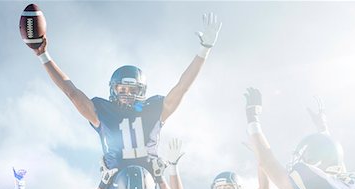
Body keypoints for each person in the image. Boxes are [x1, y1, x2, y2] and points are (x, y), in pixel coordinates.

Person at [30, 12, 222, 175]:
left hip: (151, 186)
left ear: (142, 91)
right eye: (122, 89)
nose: (127, 93)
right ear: (113, 89)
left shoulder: (153, 109)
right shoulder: (102, 111)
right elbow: (70, 91)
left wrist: (204, 50)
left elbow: (182, 87)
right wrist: (43, 55)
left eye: (132, 90)